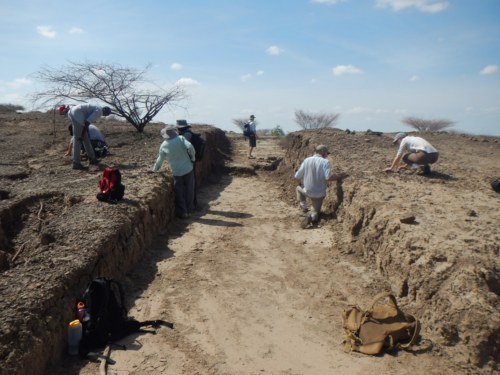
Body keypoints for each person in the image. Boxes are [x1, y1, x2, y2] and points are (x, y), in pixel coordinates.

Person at [294, 145, 348, 228]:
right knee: (315, 212)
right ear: (322, 151)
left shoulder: (307, 160)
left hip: (306, 191)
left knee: (298, 188)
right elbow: (328, 177)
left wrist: (301, 184)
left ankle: (304, 207)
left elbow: (297, 176)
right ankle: (311, 217)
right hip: (319, 195)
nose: (327, 155)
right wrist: (340, 176)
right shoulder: (325, 162)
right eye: (326, 153)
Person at [151, 124, 196, 219]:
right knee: (189, 190)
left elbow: (160, 159)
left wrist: (155, 169)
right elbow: (190, 147)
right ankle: (190, 210)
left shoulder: (163, 145)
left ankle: (183, 212)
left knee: (179, 192)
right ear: (174, 132)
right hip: (188, 168)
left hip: (176, 172)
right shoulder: (181, 138)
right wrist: (193, 158)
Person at [59, 104, 111, 170]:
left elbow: (86, 123)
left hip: (72, 113)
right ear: (105, 112)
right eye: (106, 115)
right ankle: (76, 163)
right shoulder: (99, 111)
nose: (105, 116)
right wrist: (82, 134)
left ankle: (92, 159)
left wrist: (84, 134)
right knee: (78, 140)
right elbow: (87, 123)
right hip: (78, 115)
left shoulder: (97, 107)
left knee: (86, 139)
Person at [176, 119, 199, 209]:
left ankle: (190, 206)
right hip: (190, 160)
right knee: (191, 183)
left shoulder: (186, 135)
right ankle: (193, 204)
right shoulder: (188, 133)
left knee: (190, 185)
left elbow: (185, 147)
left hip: (188, 161)